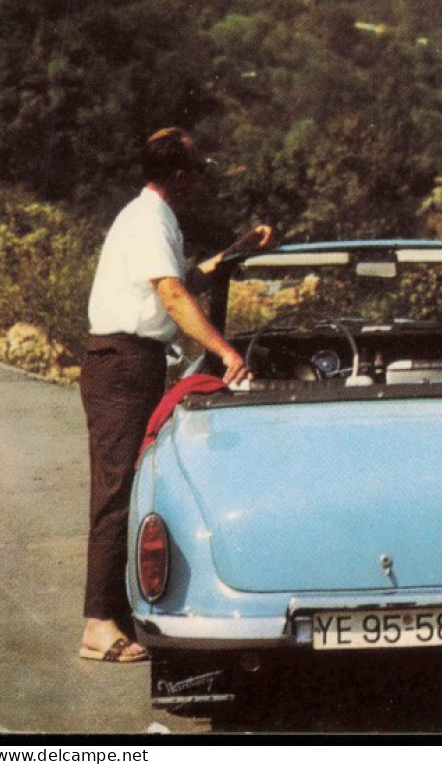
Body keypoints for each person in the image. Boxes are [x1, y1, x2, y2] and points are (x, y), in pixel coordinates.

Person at [77, 128, 276, 663]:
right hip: (121, 362)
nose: (201, 183)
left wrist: (233, 254)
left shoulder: (152, 218)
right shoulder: (148, 220)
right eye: (197, 172)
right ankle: (97, 623)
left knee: (132, 483)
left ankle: (114, 612)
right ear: (181, 177)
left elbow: (180, 282)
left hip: (130, 361)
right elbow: (171, 294)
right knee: (117, 489)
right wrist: (226, 351)